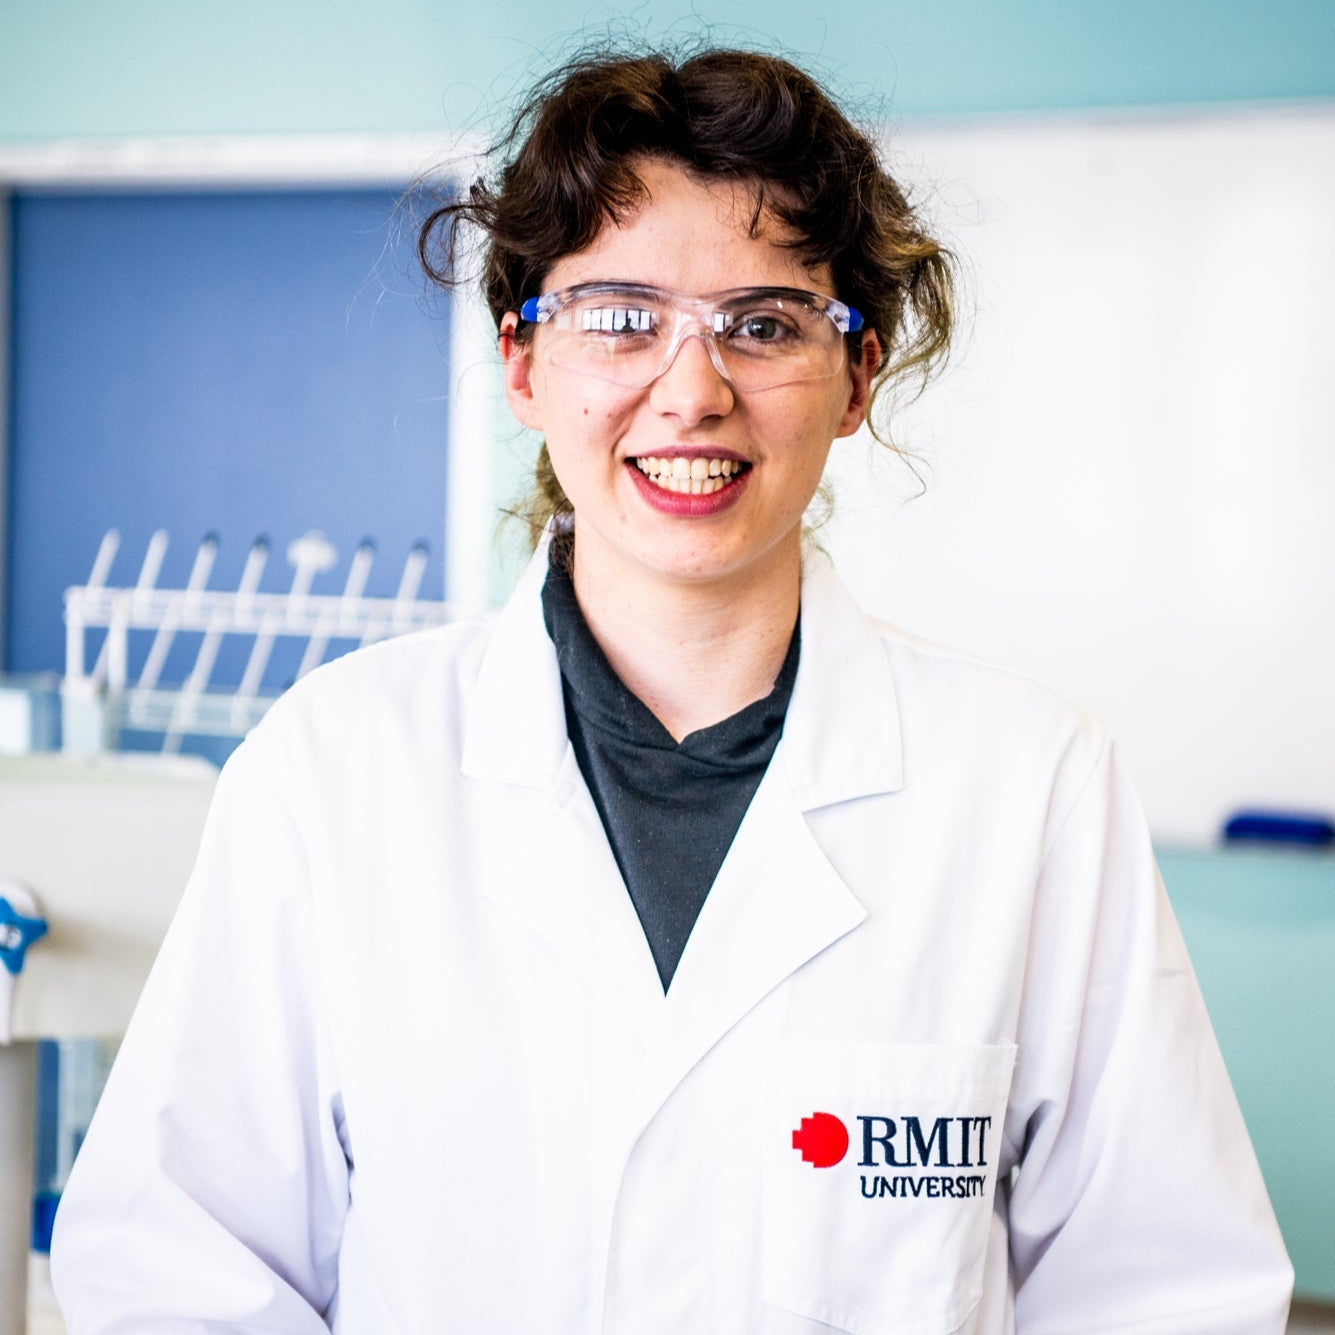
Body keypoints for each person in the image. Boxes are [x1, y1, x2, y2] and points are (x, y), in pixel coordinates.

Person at [51, 46, 1292, 1334]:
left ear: (858, 378)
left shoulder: (1028, 784)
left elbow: (1167, 1288)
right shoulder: (334, 771)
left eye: (763, 325)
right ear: (524, 364)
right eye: (620, 316)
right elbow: (176, 1270)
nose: (691, 393)